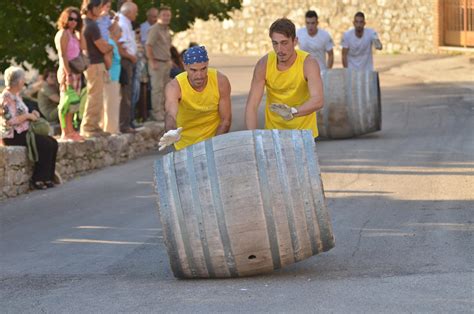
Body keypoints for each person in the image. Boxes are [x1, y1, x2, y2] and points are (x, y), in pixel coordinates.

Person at [245, 18, 324, 139]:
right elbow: (252, 106)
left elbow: (318, 100)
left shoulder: (308, 63)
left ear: (295, 41)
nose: (279, 50)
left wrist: (292, 112)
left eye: (284, 43)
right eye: (275, 43)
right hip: (274, 134)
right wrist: (254, 138)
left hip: (304, 134)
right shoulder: (264, 64)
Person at [158, 46, 232, 152]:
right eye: (193, 70)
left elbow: (226, 120)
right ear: (185, 66)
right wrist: (170, 131)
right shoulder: (175, 86)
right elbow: (170, 113)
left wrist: (214, 147)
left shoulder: (220, 81)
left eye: (203, 69)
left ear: (208, 64)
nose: (199, 75)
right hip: (184, 145)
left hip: (213, 141)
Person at [0, 66, 58, 190]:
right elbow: (10, 121)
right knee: (45, 144)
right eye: (23, 79)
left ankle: (48, 177)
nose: (24, 81)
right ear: (18, 81)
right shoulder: (6, 97)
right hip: (13, 135)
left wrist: (33, 114)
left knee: (52, 142)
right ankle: (38, 179)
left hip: (24, 131)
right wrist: (28, 116)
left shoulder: (16, 95)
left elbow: (23, 112)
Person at [80, 0, 113, 138]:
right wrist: (111, 47)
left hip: (91, 63)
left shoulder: (85, 23)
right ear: (91, 8)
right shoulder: (92, 25)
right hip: (95, 64)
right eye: (99, 7)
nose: (101, 10)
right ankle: (89, 127)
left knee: (96, 96)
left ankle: (94, 126)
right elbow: (103, 47)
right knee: (95, 96)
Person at [54, 6, 84, 141]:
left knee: (73, 102)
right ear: (65, 19)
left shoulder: (74, 34)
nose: (73, 22)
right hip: (67, 72)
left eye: (76, 20)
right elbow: (63, 55)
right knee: (65, 102)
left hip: (76, 71)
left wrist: (80, 33)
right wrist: (68, 74)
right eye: (70, 19)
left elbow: (83, 49)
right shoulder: (63, 34)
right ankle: (65, 132)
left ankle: (71, 131)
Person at [146, 6, 172, 122]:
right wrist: (152, 61)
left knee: (165, 88)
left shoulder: (166, 29)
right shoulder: (155, 29)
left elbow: (167, 46)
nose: (166, 17)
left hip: (166, 62)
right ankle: (156, 112)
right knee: (157, 89)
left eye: (168, 15)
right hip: (157, 62)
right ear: (159, 17)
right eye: (164, 15)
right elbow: (148, 45)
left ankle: (162, 111)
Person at [117, 1, 138, 133]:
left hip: (129, 60)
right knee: (126, 94)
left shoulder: (126, 22)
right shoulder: (121, 22)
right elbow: (120, 45)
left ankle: (128, 121)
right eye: (135, 12)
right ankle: (124, 124)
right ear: (129, 12)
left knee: (130, 93)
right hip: (126, 61)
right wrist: (131, 57)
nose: (137, 14)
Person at [102, 22, 122, 134]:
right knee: (111, 104)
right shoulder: (110, 43)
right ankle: (111, 129)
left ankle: (111, 128)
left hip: (114, 77)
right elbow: (108, 59)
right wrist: (108, 72)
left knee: (112, 103)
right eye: (120, 31)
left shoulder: (112, 42)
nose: (121, 33)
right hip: (111, 77)